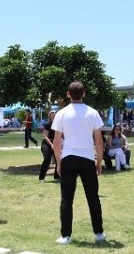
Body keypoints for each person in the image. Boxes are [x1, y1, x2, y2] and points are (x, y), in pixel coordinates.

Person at [52, 80, 105, 244]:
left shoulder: (61, 113)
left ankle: (65, 236)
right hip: (87, 158)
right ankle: (99, 233)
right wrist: (99, 161)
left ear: (68, 94)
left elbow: (56, 143)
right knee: (93, 197)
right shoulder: (93, 113)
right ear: (84, 93)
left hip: (68, 158)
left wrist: (58, 163)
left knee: (66, 198)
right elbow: (99, 142)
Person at [38, 110, 60, 182]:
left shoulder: (59, 124)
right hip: (46, 143)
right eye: (52, 113)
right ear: (49, 115)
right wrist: (51, 144)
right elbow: (45, 136)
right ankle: (41, 178)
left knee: (58, 160)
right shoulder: (48, 124)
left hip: (55, 143)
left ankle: (57, 176)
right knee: (47, 159)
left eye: (55, 112)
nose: (54, 113)